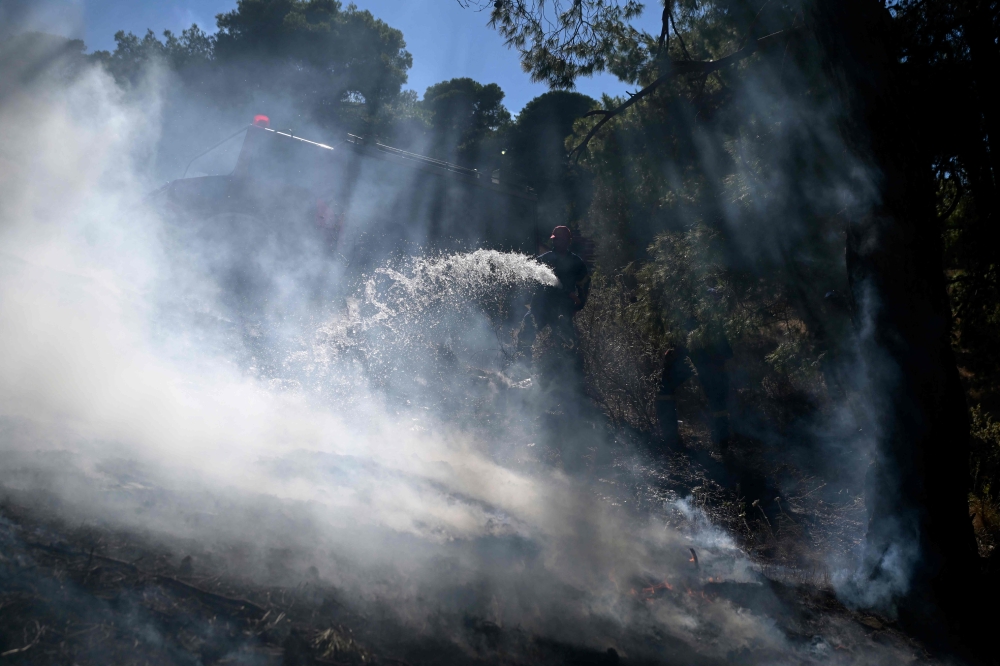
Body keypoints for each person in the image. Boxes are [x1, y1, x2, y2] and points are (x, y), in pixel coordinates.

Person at [519, 226, 591, 352]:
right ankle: (521, 362)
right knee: (526, 331)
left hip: (562, 309)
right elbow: (532, 280)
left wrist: (578, 306)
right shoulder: (543, 260)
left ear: (568, 241)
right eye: (555, 239)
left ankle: (570, 368)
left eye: (559, 239)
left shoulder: (576, 262)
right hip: (540, 306)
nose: (555, 242)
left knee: (569, 344)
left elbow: (584, 286)